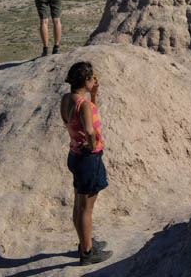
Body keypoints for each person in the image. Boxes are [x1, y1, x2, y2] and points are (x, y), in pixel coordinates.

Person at [60, 61, 113, 266]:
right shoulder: (84, 105)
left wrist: (94, 95)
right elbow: (90, 130)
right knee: (86, 209)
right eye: (93, 78)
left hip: (75, 155)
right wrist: (92, 147)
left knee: (78, 204)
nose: (95, 81)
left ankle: (85, 243)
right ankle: (88, 253)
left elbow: (83, 120)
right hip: (87, 159)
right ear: (85, 80)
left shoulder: (67, 99)